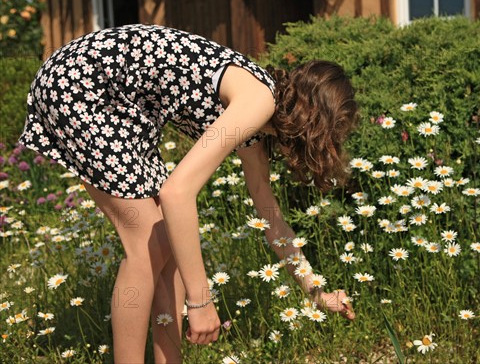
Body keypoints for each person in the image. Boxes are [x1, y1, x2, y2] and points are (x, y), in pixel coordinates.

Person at [17, 23, 358, 363]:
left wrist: (316, 293)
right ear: (314, 124)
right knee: (147, 243)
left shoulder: (257, 121)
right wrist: (200, 300)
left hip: (121, 103)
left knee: (167, 238)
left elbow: (270, 216)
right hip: (82, 84)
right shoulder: (257, 100)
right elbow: (176, 192)